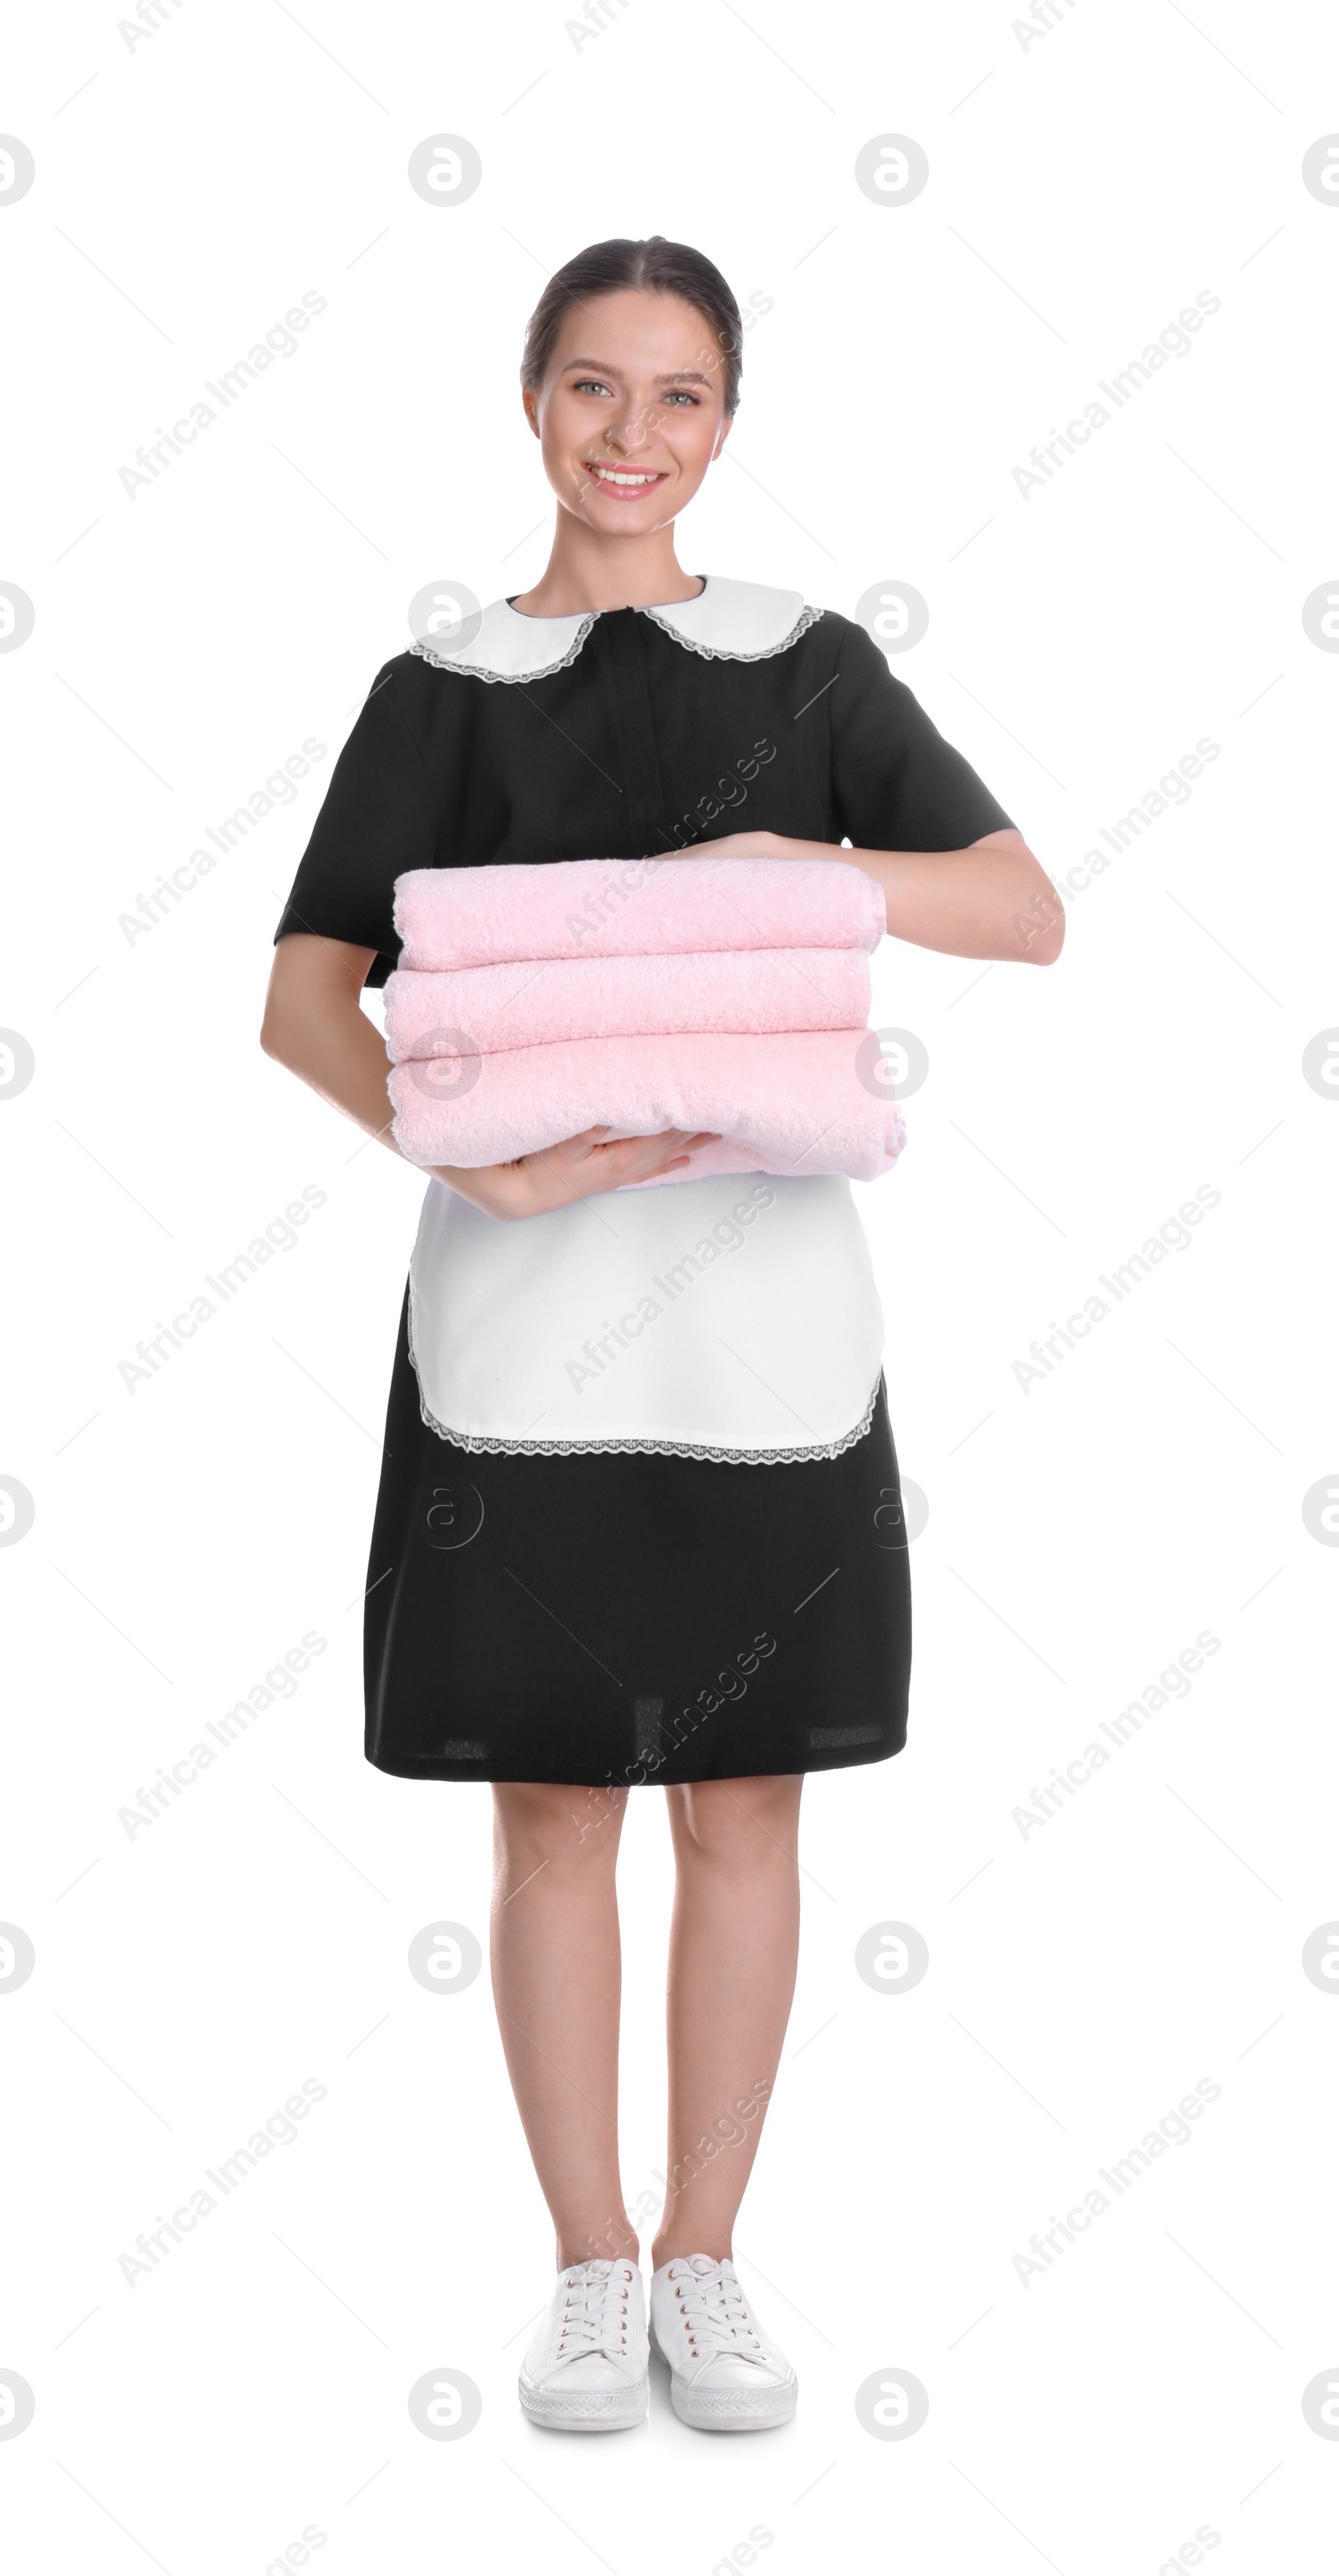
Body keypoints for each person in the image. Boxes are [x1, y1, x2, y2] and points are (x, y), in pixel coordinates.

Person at [262, 233, 1063, 2435]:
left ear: (727, 424)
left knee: (744, 1815)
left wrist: (806, 867)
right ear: (532, 404)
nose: (634, 437)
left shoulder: (809, 664)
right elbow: (303, 994)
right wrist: (481, 1163)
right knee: (544, 1819)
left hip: (772, 1328)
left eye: (681, 396)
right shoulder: (445, 685)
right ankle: (587, 2270)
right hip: (520, 1322)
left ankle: (709, 2259)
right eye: (595, 389)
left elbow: (1026, 907)